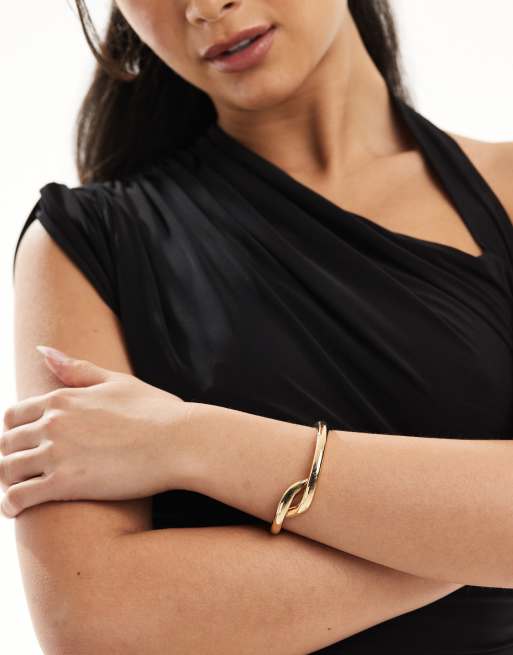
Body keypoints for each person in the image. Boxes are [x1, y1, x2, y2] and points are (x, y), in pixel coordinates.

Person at [7, 1, 513, 653]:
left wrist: (189, 440)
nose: (203, 6)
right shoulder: (85, 246)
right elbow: (96, 626)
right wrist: (471, 532)